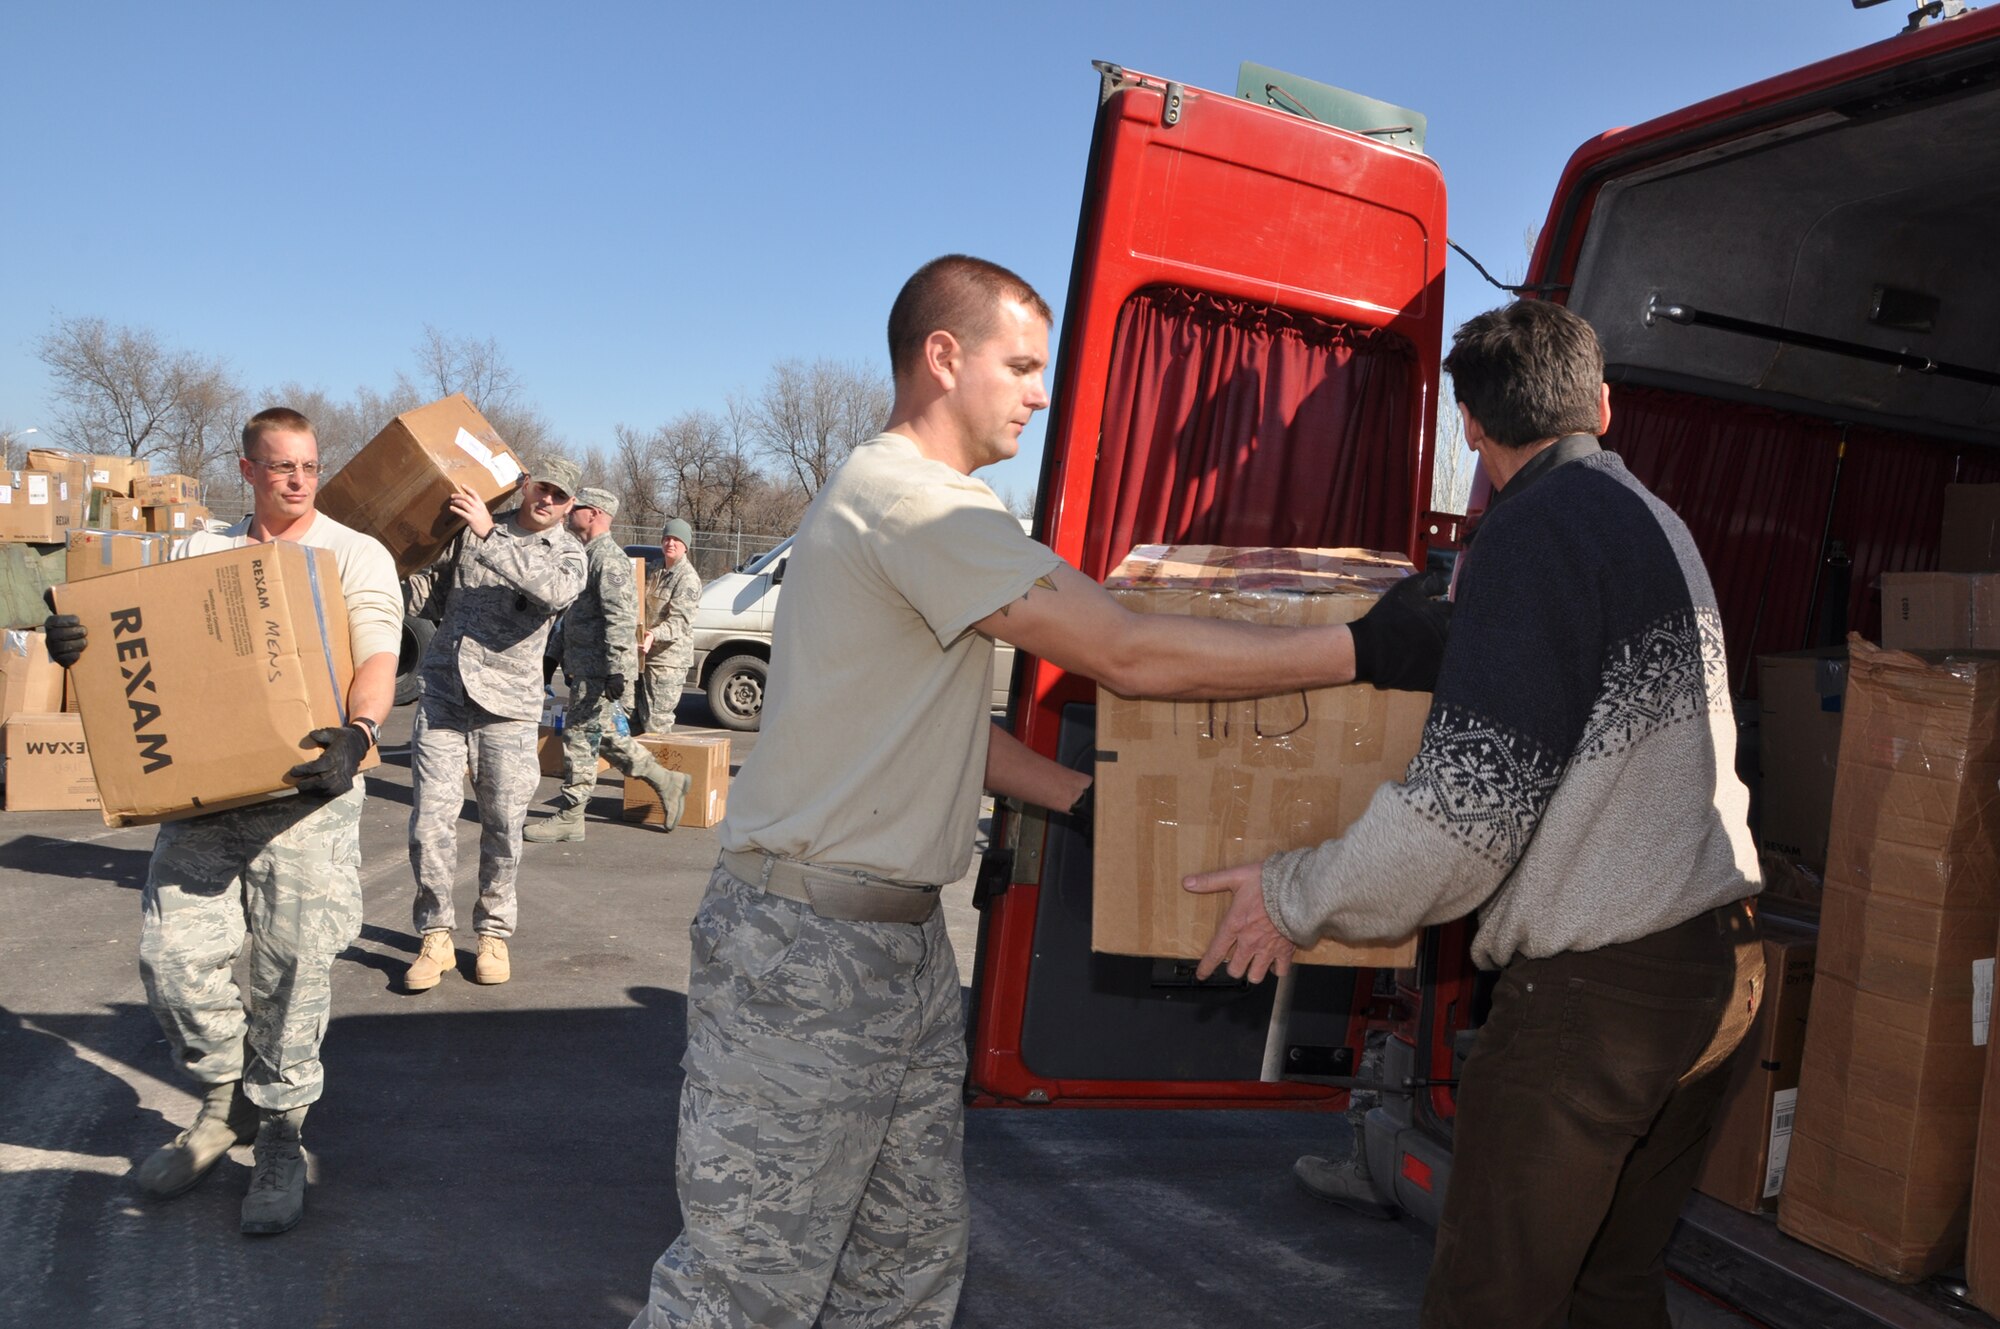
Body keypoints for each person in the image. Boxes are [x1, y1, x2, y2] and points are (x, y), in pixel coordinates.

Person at [628, 255, 1447, 1329]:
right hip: (808, 950)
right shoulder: (912, 506)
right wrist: (1363, 649)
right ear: (941, 357)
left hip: (892, 948)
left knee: (903, 1264)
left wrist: (1079, 801)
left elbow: (930, 729)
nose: (1037, 391)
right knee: (745, 1287)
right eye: (1019, 365)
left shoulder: (908, 505)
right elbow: (1129, 653)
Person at [1187, 299, 1764, 1329]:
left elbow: (1460, 819)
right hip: (1718, 971)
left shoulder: (1532, 531)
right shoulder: (1650, 520)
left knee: (1489, 1306)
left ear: (1467, 425)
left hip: (1603, 993)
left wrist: (1290, 895)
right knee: (1607, 1290)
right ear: (1599, 405)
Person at [43, 406, 401, 1236]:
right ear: (247, 469)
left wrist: (362, 730)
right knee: (172, 961)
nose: (299, 479)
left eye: (309, 466)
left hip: (309, 798)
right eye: (281, 467)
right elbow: (150, 647)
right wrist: (80, 645)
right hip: (208, 800)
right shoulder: (200, 552)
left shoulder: (353, 553)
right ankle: (222, 1099)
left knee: (293, 976)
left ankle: (280, 1134)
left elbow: (378, 648)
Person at [402, 457, 588, 991]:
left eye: (559, 496)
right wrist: (386, 579)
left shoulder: (568, 553)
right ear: (526, 485)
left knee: (503, 826)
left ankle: (493, 933)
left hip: (507, 706)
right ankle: (435, 935)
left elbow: (551, 594)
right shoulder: (473, 526)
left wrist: (488, 533)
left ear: (569, 505)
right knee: (428, 825)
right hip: (444, 694)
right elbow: (433, 594)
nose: (547, 500)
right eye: (542, 489)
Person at [524, 486, 690, 842]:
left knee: (579, 738)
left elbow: (620, 618)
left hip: (599, 670)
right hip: (584, 666)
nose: (569, 512)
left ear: (595, 514)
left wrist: (617, 669)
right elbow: (572, 615)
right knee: (608, 739)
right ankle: (667, 781)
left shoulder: (609, 559)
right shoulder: (585, 555)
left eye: (577, 507)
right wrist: (552, 656)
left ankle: (571, 815)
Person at [632, 517, 701, 735]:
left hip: (667, 662)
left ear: (685, 546)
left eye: (676, 540)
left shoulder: (687, 579)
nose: (670, 544)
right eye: (667, 538)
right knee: (634, 720)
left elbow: (679, 622)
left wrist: (653, 635)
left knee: (657, 724)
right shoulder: (654, 569)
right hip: (643, 656)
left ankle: (660, 767)